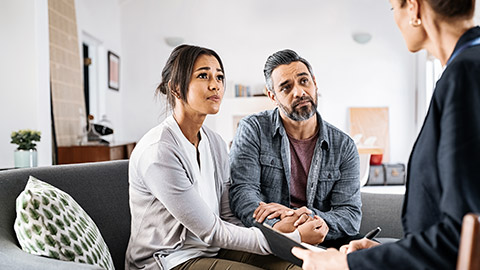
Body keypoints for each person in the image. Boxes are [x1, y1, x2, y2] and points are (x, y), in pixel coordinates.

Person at [292, 0, 480, 269]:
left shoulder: (465, 74)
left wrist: (344, 264)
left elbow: (464, 238)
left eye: (394, 8)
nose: (395, 19)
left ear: (414, 8)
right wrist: (381, 253)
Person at [125, 45, 302, 270]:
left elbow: (227, 216)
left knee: (297, 266)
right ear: (176, 88)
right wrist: (290, 239)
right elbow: (211, 231)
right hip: (168, 260)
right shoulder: (159, 150)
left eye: (219, 76)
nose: (215, 84)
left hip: (214, 249)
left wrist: (275, 231)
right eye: (203, 76)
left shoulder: (215, 142)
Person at [229, 49, 362, 248]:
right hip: (274, 238)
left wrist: (306, 217)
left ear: (314, 83)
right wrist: (282, 227)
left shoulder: (344, 146)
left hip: (324, 238)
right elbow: (243, 193)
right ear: (272, 96)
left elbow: (350, 214)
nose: (299, 92)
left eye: (304, 81)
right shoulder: (253, 129)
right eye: (286, 87)